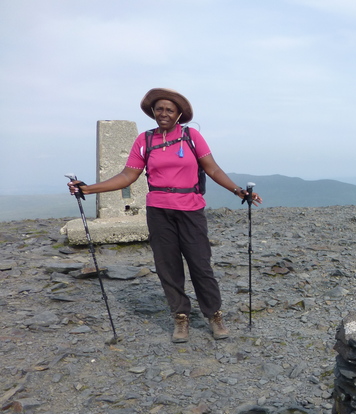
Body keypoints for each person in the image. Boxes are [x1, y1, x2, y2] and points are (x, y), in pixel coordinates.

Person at [67, 88, 262, 343]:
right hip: (158, 211)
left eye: (170, 110)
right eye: (159, 109)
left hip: (191, 209)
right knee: (167, 267)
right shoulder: (145, 140)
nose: (164, 113)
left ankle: (214, 315)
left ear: (179, 114)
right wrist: (89, 189)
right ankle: (180, 317)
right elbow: (128, 176)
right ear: (153, 112)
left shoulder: (192, 136)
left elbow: (212, 168)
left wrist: (237, 191)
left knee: (200, 264)